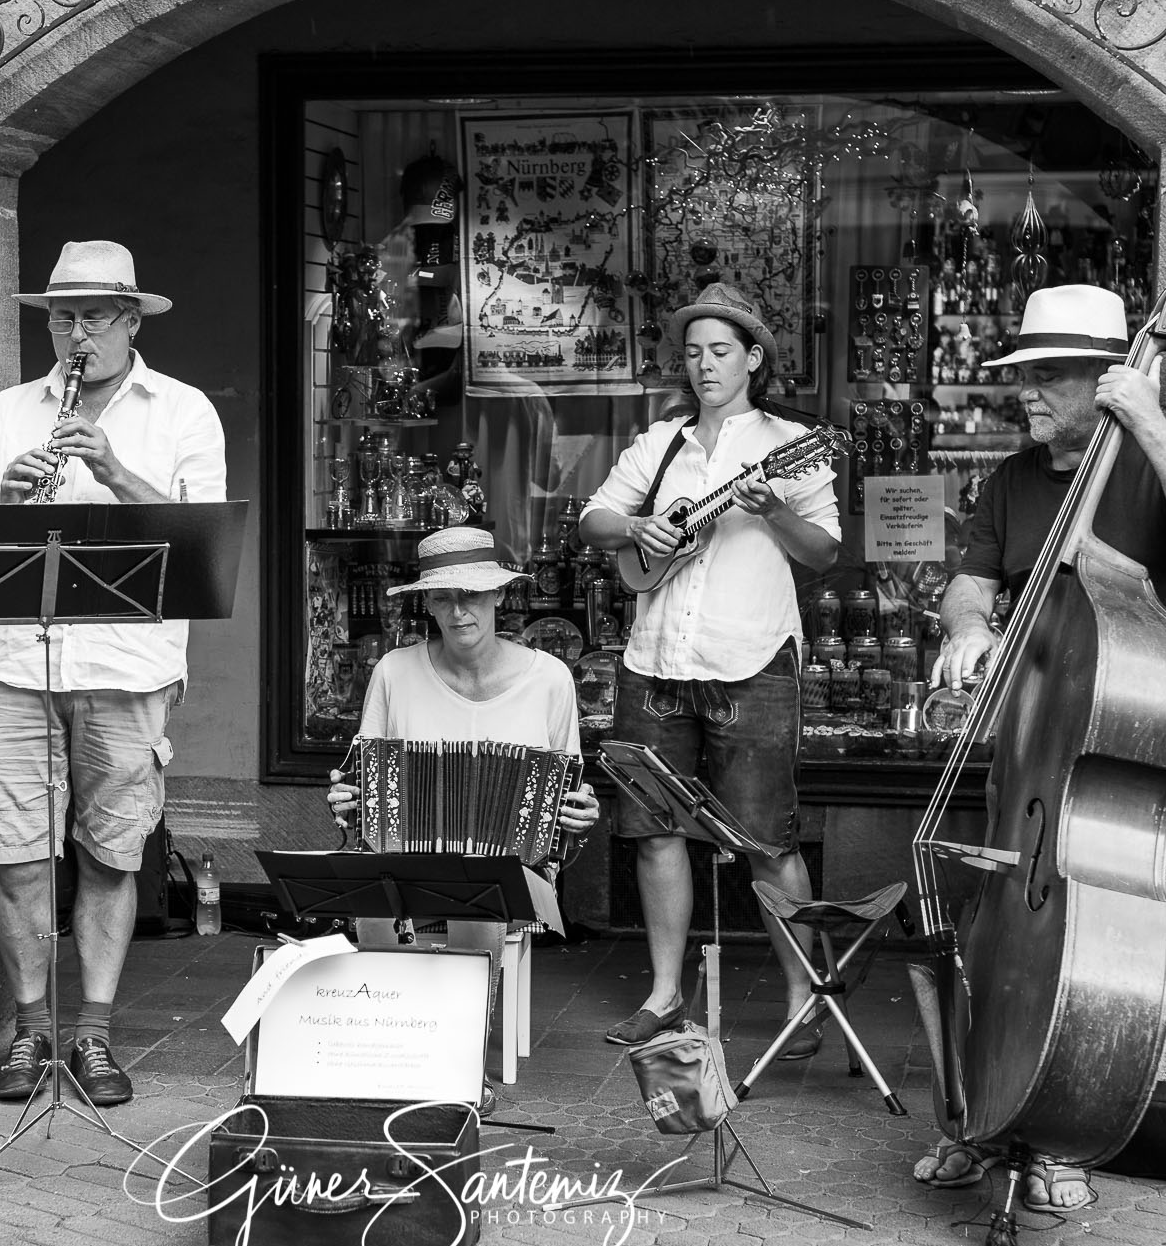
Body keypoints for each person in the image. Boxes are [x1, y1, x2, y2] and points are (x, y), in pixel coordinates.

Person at [913, 283, 1166, 1211]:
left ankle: (1059, 1135)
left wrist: (1146, 418)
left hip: (1121, 739)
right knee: (991, 923)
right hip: (1031, 736)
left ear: (1107, 379)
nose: (1026, 391)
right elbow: (970, 583)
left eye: (1049, 376)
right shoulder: (1013, 480)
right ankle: (976, 1114)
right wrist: (969, 627)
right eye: (1025, 374)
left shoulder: (1160, 456)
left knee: (1093, 941)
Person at [0, 240, 225, 1109]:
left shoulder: (184, 411)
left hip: (128, 661)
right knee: (17, 856)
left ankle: (94, 1036)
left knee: (110, 856)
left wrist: (109, 468)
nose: (78, 333)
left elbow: (201, 543)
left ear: (133, 319)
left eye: (96, 316)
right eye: (63, 316)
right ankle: (32, 1029)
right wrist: (7, 496)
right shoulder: (8, 410)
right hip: (21, 664)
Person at [577, 283, 838, 1052]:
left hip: (751, 661)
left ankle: (803, 997)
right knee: (654, 832)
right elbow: (595, 519)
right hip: (655, 660)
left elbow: (824, 550)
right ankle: (664, 992)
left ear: (754, 359)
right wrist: (639, 526)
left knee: (768, 839)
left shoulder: (791, 444)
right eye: (693, 353)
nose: (705, 366)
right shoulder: (660, 444)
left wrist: (772, 511)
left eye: (721, 351)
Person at [324, 527, 603, 965]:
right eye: (441, 598)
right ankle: (395, 1020)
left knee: (479, 906)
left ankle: (466, 1024)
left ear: (497, 595)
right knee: (376, 914)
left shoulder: (550, 679)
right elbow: (364, 790)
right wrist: (348, 802)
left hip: (514, 876)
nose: (458, 612)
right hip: (409, 870)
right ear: (428, 604)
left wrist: (578, 816)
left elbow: (565, 800)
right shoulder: (394, 672)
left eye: (470, 595)